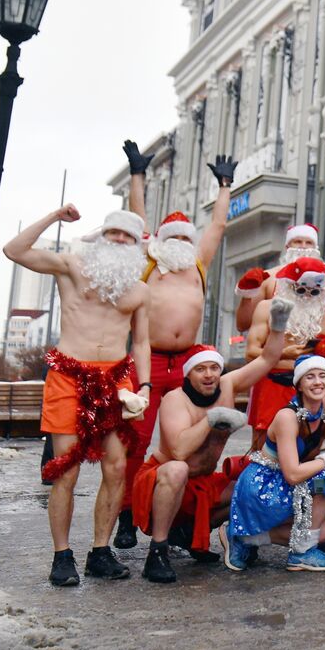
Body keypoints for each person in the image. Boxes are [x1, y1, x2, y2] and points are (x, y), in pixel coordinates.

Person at [5, 206, 152, 586]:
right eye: (114, 233)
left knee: (117, 467)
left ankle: (100, 551)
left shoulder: (139, 289)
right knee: (65, 471)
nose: (119, 241)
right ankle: (62, 555)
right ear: (101, 237)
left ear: (136, 245)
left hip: (116, 382)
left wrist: (146, 386)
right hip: (69, 376)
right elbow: (14, 251)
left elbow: (142, 341)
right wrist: (53, 216)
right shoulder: (72, 267)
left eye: (128, 237)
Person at [117, 142, 235, 551]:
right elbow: (137, 219)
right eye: (176, 235)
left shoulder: (198, 263)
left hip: (189, 362)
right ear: (164, 239)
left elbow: (218, 226)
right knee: (136, 438)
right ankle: (128, 513)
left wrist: (224, 185)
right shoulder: (151, 258)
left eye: (188, 234)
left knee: (193, 440)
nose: (183, 239)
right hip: (148, 359)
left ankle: (186, 514)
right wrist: (138, 174)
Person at [131, 320, 287, 582]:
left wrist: (279, 324)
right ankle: (157, 552)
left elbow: (269, 358)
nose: (209, 375)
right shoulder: (175, 399)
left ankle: (189, 533)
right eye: (200, 369)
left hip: (202, 482)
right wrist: (210, 420)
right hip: (163, 480)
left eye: (214, 367)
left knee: (250, 484)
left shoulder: (226, 385)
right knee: (178, 469)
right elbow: (179, 452)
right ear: (188, 374)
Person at [221, 354, 325, 572]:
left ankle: (251, 539)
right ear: (299, 384)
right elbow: (292, 474)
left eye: (323, 376)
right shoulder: (288, 417)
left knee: (323, 530)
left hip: (292, 484)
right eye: (310, 377)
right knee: (323, 480)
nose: (318, 382)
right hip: (265, 486)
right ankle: (299, 551)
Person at [243, 258, 325, 453]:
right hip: (274, 383)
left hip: (313, 388)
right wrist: (281, 353)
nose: (307, 295)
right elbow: (250, 353)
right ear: (288, 286)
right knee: (263, 448)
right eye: (300, 290)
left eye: (314, 292)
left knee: (310, 445)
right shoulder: (267, 307)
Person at [233, 223, 325, 332]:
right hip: (274, 346)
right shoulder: (268, 278)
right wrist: (247, 295)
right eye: (297, 242)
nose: (303, 247)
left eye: (309, 243)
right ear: (287, 247)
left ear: (316, 248)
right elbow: (242, 325)